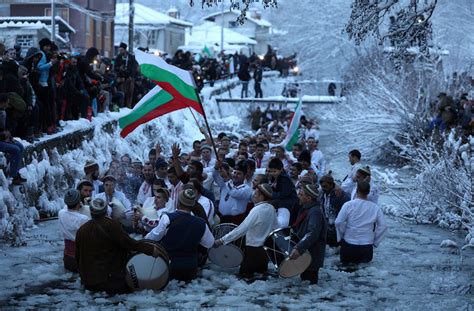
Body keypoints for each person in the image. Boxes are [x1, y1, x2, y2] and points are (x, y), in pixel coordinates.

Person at [75, 198, 162, 294]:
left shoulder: (82, 230)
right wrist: (150, 249)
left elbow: (78, 257)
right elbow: (129, 243)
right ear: (105, 212)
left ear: (91, 212)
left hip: (89, 283)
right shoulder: (111, 225)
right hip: (110, 282)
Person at [145, 189, 214, 282]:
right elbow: (209, 243)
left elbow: (152, 238)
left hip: (168, 267)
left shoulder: (167, 218)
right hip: (191, 268)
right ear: (193, 205)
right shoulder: (201, 223)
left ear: (178, 202)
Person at [214, 183, 278, 277]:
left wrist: (222, 240)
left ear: (261, 196)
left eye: (255, 193)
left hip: (252, 251)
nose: (253, 195)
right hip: (265, 252)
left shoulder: (256, 210)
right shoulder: (272, 209)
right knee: (262, 278)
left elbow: (242, 229)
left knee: (245, 278)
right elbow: (276, 228)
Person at [335, 181, 388, 265]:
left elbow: (338, 222)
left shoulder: (348, 205)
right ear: (368, 192)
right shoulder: (375, 208)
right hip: (366, 245)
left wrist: (342, 235)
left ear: (356, 190)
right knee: (364, 273)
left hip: (349, 243)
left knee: (345, 270)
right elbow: (383, 226)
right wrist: (375, 241)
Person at [289, 184, 327, 284]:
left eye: (301, 194)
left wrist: (298, 248)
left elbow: (312, 233)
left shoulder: (315, 212)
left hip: (312, 257)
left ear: (309, 198)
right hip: (306, 254)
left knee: (309, 282)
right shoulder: (307, 209)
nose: (298, 196)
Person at [58, 189, 90, 272]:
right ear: (79, 202)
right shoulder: (84, 219)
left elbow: (66, 209)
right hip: (80, 257)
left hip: (67, 257)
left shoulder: (61, 213)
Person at [213, 160, 253, 224]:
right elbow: (215, 176)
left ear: (245, 176)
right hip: (221, 217)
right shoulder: (226, 184)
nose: (235, 175)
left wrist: (226, 178)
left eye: (239, 173)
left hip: (235, 220)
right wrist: (216, 167)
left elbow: (234, 193)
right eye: (234, 173)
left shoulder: (247, 189)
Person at [319, 174, 350, 246]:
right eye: (322, 187)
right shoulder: (323, 193)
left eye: (325, 187)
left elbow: (347, 214)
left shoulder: (340, 195)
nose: (323, 189)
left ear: (331, 185)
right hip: (328, 226)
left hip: (338, 227)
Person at [266, 158, 297, 228]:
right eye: (271, 171)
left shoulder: (284, 179)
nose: (273, 173)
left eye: (275, 171)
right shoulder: (275, 176)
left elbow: (284, 194)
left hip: (290, 201)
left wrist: (271, 194)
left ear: (281, 170)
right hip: (282, 199)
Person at [115, 42, 137, 108]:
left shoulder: (131, 57)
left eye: (121, 50)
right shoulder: (118, 58)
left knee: (130, 94)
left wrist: (131, 76)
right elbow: (115, 68)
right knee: (122, 93)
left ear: (125, 50)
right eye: (120, 50)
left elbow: (134, 67)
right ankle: (122, 108)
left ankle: (128, 107)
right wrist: (119, 69)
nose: (120, 51)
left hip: (130, 78)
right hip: (122, 79)